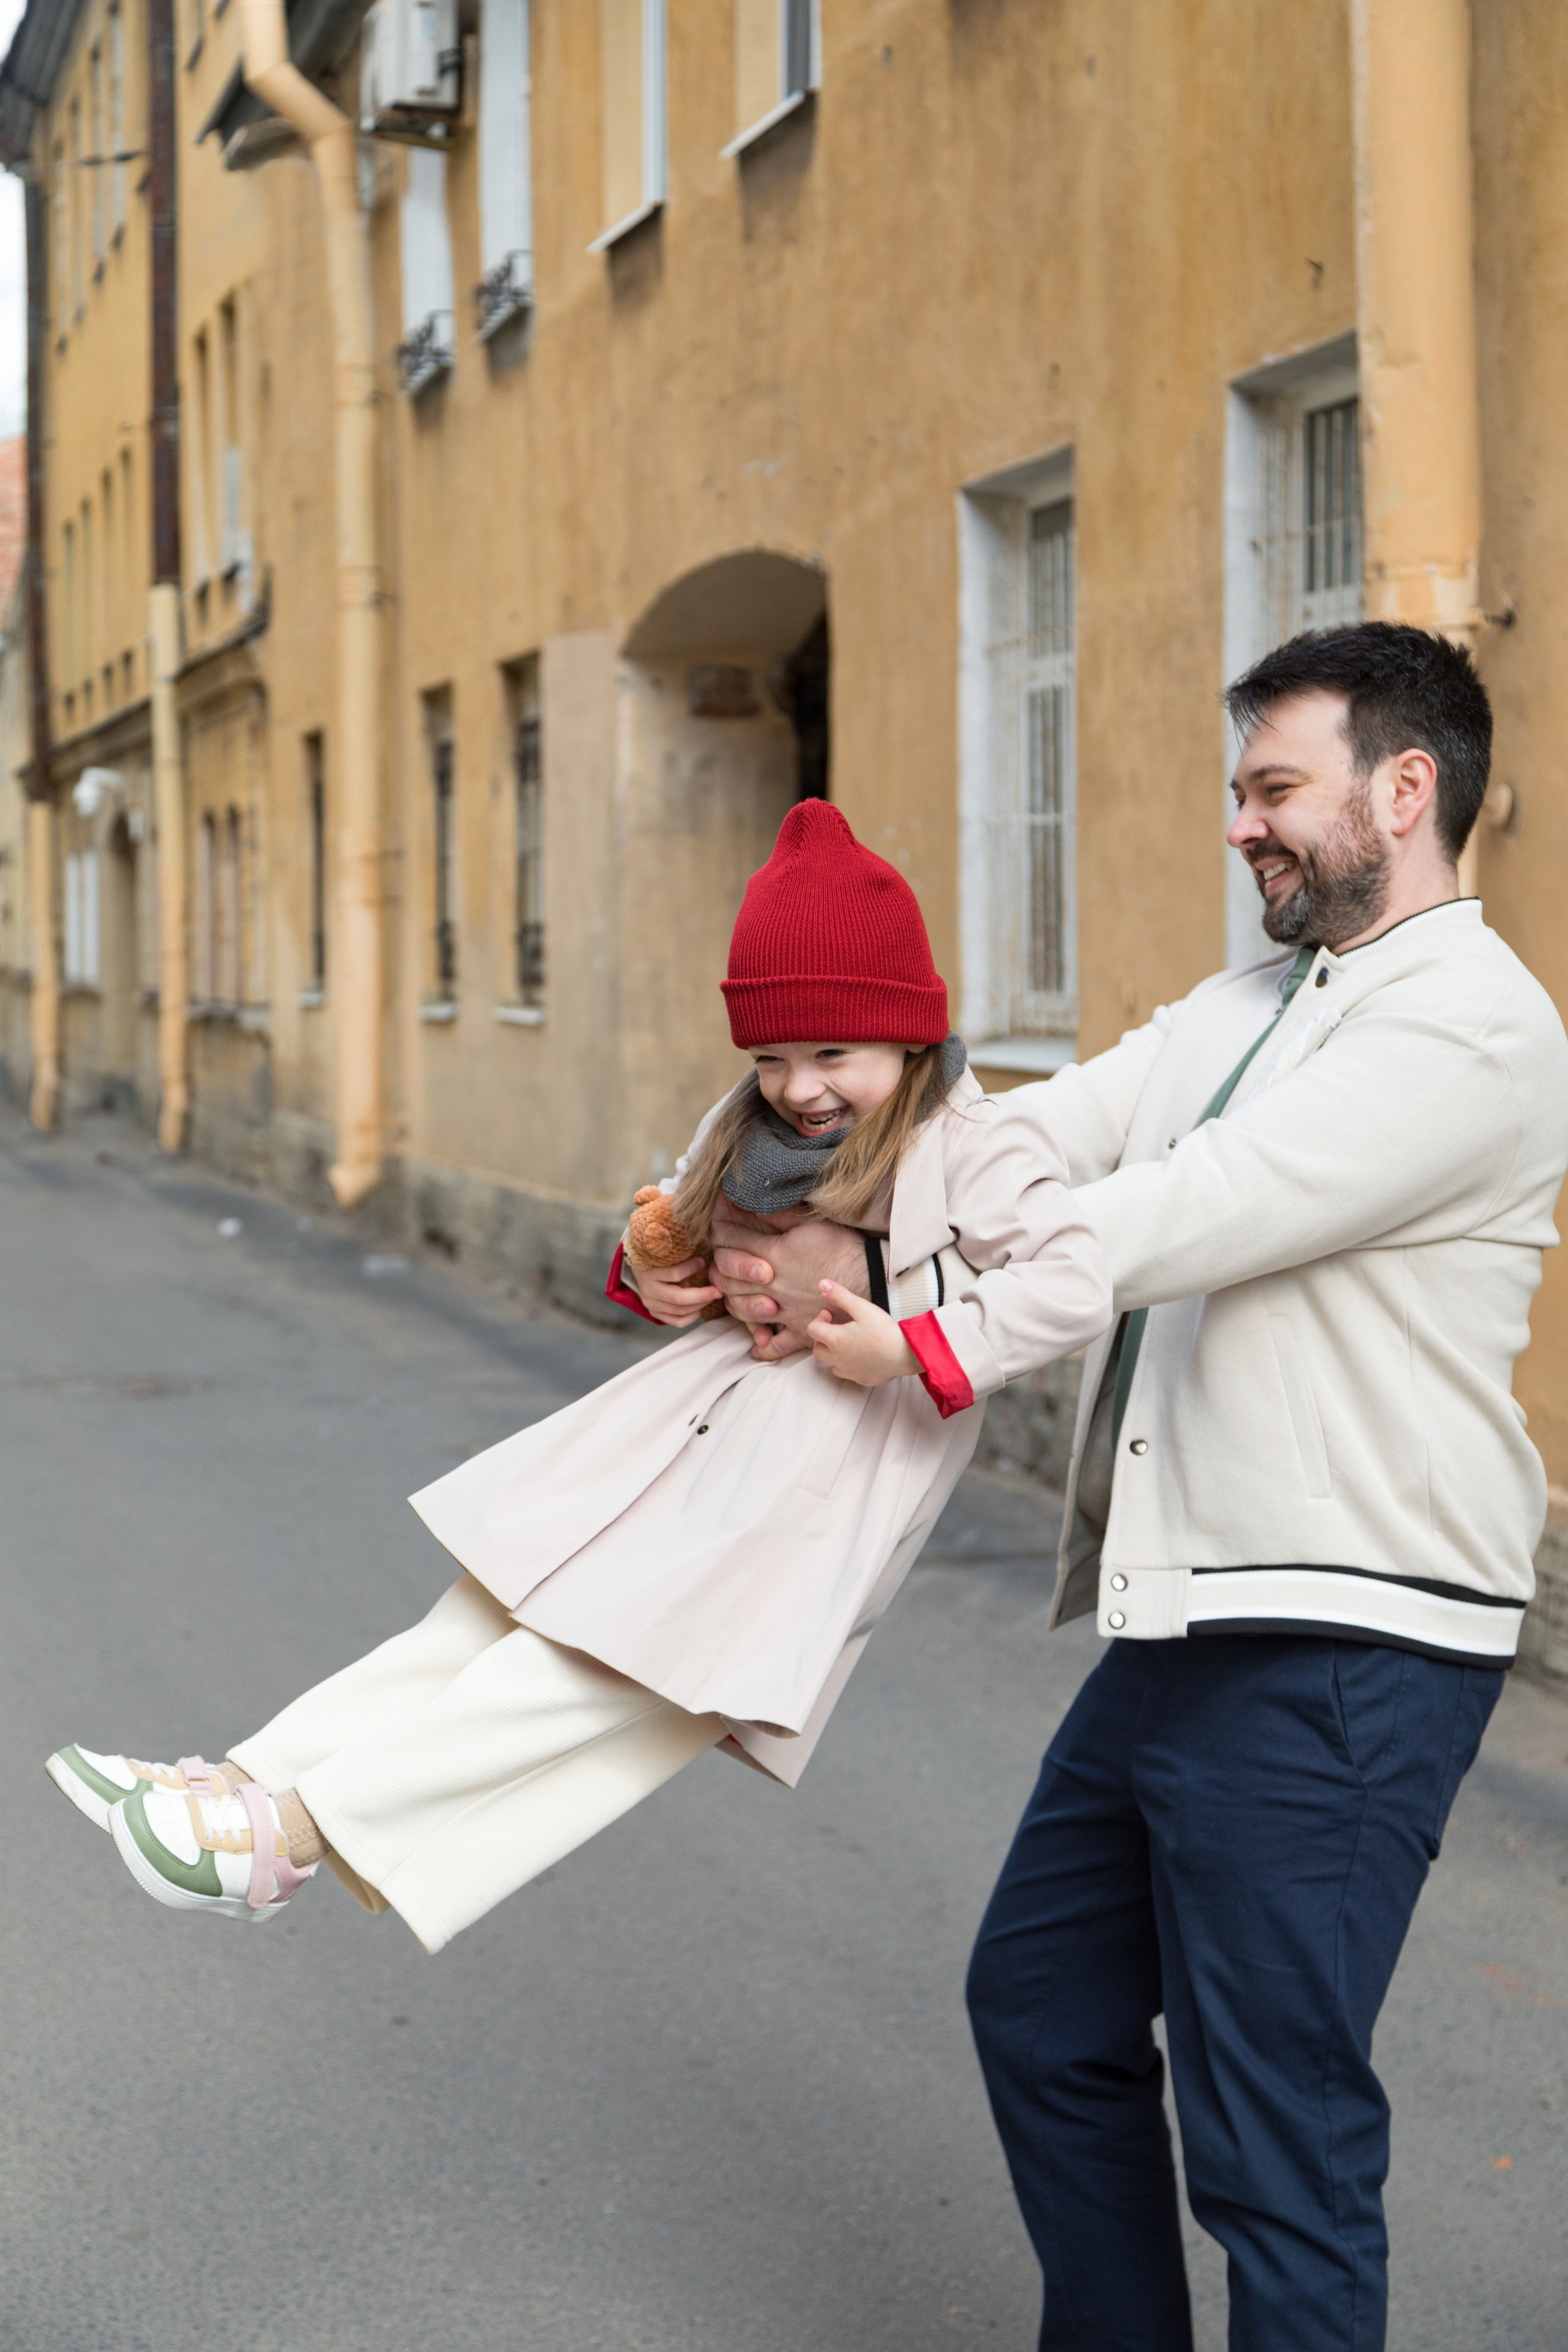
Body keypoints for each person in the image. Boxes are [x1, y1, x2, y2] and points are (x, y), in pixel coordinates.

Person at [706, 623, 1568, 2352]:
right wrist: (750, 1197)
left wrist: (935, 1328)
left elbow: (1186, 1212)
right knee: (1043, 2007)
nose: (1240, 826)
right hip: (1193, 1610)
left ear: (1403, 792)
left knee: (1274, 2140)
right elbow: (1025, 1139)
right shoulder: (1256, 1001)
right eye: (1238, 792)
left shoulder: (1473, 1028)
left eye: (1273, 790)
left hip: (1344, 1633)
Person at [46, 801, 1110, 1958]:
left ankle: (292, 1834)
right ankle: (242, 1789)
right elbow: (672, 1224)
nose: (800, 1087)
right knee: (484, 1616)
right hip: (693, 1428)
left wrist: (908, 1340)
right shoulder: (745, 1120)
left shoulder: (979, 1141)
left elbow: (1072, 1283)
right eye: (772, 1055)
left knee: (575, 1672)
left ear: (908, 1037)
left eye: (832, 1055)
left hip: (816, 1477)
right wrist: (663, 1275)